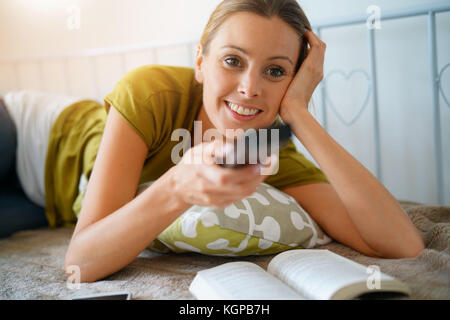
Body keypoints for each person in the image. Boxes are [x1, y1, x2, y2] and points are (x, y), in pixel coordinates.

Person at [1, 0, 424, 283]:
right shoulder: (150, 94)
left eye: (275, 72)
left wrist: (298, 114)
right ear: (200, 62)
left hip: (43, 203)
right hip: (27, 134)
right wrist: (177, 185)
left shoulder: (271, 153)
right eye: (232, 61)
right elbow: (81, 261)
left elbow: (402, 244)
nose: (249, 87)